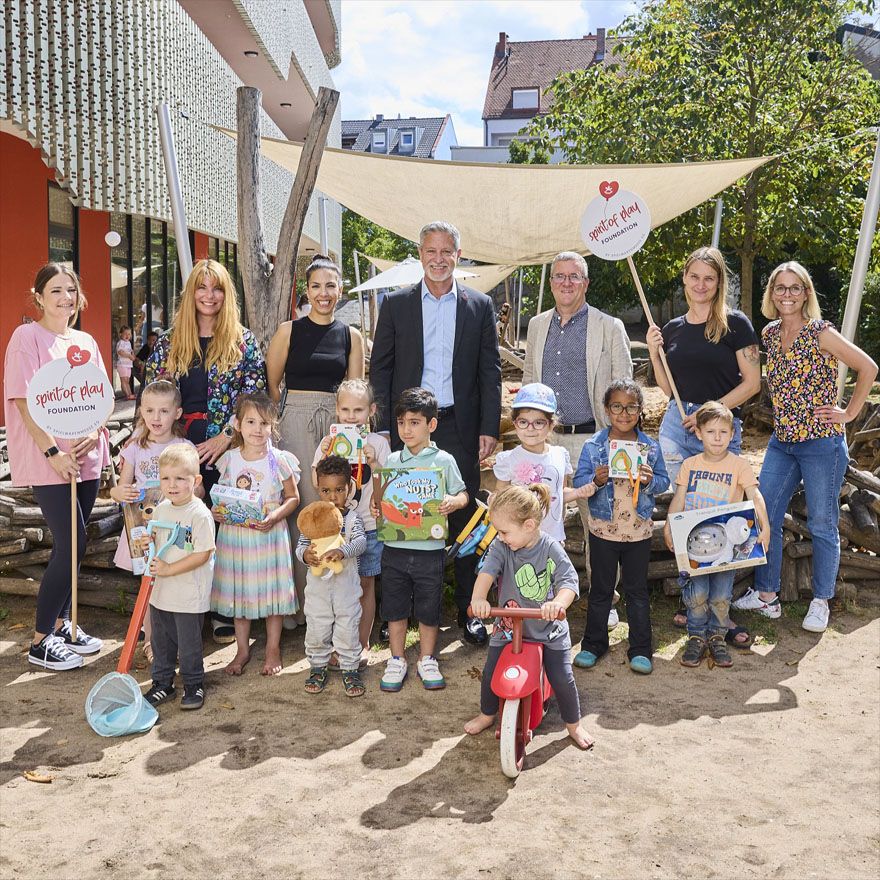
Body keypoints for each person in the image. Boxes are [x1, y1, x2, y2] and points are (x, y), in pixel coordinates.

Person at [370, 221, 501, 645]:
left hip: (460, 426)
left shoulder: (479, 305)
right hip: (410, 430)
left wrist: (488, 427)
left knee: (461, 517)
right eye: (431, 250)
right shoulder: (396, 304)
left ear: (458, 255)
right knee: (406, 512)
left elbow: (490, 372)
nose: (439, 258)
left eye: (447, 251)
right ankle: (402, 616)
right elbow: (382, 369)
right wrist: (386, 429)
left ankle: (470, 611)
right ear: (420, 254)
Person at [733, 262, 878, 633]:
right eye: (780, 288)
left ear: (806, 293)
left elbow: (868, 368)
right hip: (783, 442)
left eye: (794, 288)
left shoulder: (821, 332)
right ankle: (767, 595)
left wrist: (848, 412)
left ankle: (820, 600)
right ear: (772, 294)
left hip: (820, 444)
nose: (787, 294)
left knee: (822, 521)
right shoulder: (768, 334)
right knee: (766, 512)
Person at [145, 258, 266, 643]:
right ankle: (180, 609)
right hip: (178, 445)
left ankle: (218, 608)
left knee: (218, 526)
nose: (208, 296)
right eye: (201, 287)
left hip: (225, 447)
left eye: (216, 288)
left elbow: (256, 395)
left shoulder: (242, 340)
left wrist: (226, 436)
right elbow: (151, 396)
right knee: (180, 525)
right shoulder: (168, 340)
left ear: (226, 293)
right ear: (191, 292)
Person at [645, 246, 761, 637]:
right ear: (684, 279)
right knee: (684, 514)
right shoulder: (674, 328)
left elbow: (752, 383)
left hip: (718, 428)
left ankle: (721, 609)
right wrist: (653, 351)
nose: (700, 284)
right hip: (678, 427)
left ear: (718, 283)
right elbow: (666, 386)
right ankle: (692, 602)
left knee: (722, 513)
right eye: (694, 277)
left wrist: (711, 412)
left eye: (708, 278)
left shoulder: (736, 323)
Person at [4, 263, 110, 670]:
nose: (65, 298)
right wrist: (54, 453)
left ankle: (65, 624)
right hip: (50, 460)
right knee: (72, 543)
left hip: (85, 457)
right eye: (56, 291)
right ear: (39, 296)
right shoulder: (26, 337)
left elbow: (100, 397)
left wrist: (94, 431)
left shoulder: (84, 340)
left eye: (71, 291)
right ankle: (41, 639)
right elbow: (23, 400)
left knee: (76, 543)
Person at [522, 251, 633, 625]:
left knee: (599, 525)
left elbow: (625, 388)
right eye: (559, 276)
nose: (566, 283)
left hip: (592, 439)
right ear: (551, 282)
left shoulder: (608, 326)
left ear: (586, 283)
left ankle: (605, 600)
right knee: (538, 520)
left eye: (575, 277)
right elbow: (528, 386)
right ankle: (542, 595)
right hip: (545, 442)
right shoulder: (537, 325)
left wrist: (621, 441)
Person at [265, 254, 365, 625]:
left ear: (340, 290)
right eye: (316, 286)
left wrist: (348, 431)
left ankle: (338, 604)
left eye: (331, 285)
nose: (324, 293)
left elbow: (355, 390)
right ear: (306, 290)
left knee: (340, 507)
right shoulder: (288, 330)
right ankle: (302, 610)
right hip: (296, 422)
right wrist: (291, 419)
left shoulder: (350, 335)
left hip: (338, 425)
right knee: (304, 507)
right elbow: (273, 384)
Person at [464, 484, 593, 750]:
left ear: (529, 525)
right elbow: (487, 573)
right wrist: (478, 599)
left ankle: (574, 725)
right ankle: (488, 714)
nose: (500, 536)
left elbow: (569, 582)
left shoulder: (550, 548)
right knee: (490, 672)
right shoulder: (502, 547)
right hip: (509, 627)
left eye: (504, 531)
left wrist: (557, 603)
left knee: (561, 676)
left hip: (548, 628)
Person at [571, 380, 670, 674]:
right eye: (617, 406)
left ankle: (640, 648)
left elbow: (664, 481)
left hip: (638, 532)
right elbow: (579, 482)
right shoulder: (594, 446)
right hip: (603, 531)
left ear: (640, 411)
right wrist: (597, 481)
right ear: (606, 410)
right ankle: (593, 644)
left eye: (631, 407)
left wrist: (651, 480)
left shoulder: (650, 448)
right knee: (601, 590)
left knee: (637, 591)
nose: (624, 413)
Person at [373, 388, 468, 693]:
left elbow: (464, 494)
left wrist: (453, 502)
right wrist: (378, 506)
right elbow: (382, 501)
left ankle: (427, 658)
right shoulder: (392, 459)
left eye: (414, 422)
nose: (406, 429)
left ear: (431, 425)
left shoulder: (444, 460)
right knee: (395, 607)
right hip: (395, 549)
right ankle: (397, 659)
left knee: (429, 607)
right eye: (401, 422)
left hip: (430, 550)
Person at [664, 402, 770, 668]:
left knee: (721, 595)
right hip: (695, 545)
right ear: (699, 433)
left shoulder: (739, 465)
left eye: (724, 432)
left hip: (726, 549)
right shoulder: (689, 465)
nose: (718, 437)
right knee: (697, 594)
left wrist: (764, 526)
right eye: (711, 432)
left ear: (732, 434)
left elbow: (754, 495)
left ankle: (717, 636)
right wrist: (668, 525)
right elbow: (679, 499)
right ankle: (697, 636)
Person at [210, 393, 301, 676]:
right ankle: (242, 649)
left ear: (273, 426)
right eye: (250, 421)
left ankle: (273, 648)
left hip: (269, 534)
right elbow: (222, 498)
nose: (257, 429)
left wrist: (275, 516)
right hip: (236, 537)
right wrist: (217, 512)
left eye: (264, 423)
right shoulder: (229, 459)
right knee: (240, 594)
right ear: (237, 424)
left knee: (272, 592)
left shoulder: (278, 460)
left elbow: (293, 497)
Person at [110, 380, 193, 660]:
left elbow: (197, 489)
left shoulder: (183, 446)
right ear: (141, 412)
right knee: (149, 584)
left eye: (163, 411)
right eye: (149, 411)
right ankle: (150, 641)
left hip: (174, 528)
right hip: (143, 529)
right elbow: (119, 490)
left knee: (172, 584)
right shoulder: (135, 446)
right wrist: (120, 491)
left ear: (177, 413)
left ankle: (174, 642)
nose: (156, 418)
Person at [311, 379, 390, 657]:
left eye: (358, 410)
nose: (351, 416)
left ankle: (361, 642)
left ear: (372, 411)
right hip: (335, 529)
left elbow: (386, 488)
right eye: (345, 409)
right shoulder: (328, 442)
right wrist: (325, 455)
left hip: (367, 526)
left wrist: (374, 464)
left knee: (365, 585)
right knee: (336, 586)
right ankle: (337, 644)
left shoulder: (379, 443)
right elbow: (315, 482)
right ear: (336, 410)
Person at [143, 444, 216, 710]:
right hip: (161, 592)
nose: (172, 485)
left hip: (188, 594)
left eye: (180, 479)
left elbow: (203, 554)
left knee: (188, 644)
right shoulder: (162, 509)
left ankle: (194, 684)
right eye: (166, 478)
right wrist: (147, 543)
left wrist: (169, 570)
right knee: (161, 642)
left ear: (195, 481)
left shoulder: (200, 515)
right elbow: (159, 541)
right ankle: (162, 684)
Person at [298, 456, 367, 697]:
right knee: (317, 626)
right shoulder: (313, 518)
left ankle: (350, 667)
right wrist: (306, 556)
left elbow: (360, 542)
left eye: (339, 490)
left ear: (349, 488)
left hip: (346, 587)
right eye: (326, 490)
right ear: (318, 488)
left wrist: (343, 550)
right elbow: (301, 545)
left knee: (348, 626)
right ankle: (317, 666)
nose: (332, 497)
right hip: (318, 590)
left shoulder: (351, 518)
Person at [493, 383, 587, 544]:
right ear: (515, 423)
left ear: (551, 424)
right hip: (519, 541)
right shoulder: (508, 459)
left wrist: (579, 492)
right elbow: (499, 498)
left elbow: (559, 493)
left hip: (552, 539)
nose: (530, 428)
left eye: (538, 423)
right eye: (523, 422)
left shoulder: (559, 455)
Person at [115, 325, 135, 400]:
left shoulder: (129, 343)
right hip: (122, 364)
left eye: (129, 334)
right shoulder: (121, 342)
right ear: (121, 334)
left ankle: (129, 394)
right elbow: (120, 352)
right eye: (125, 334)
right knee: (124, 380)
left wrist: (132, 356)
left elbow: (131, 352)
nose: (127, 336)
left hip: (128, 364)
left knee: (127, 380)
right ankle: (128, 395)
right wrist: (129, 355)